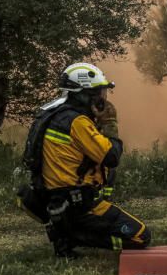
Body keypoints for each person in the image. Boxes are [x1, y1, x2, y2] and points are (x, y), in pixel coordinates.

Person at [16, 62, 151, 257]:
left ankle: (63, 228)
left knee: (104, 170)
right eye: (99, 93)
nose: (103, 99)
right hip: (78, 203)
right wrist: (110, 124)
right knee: (140, 236)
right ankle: (73, 235)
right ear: (84, 94)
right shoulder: (78, 122)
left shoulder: (52, 114)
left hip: (53, 198)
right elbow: (112, 157)